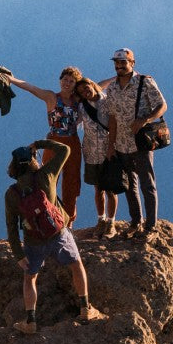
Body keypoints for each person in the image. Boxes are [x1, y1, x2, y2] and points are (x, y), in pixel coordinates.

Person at [5, 138, 102, 334]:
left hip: (33, 241)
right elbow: (65, 150)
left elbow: (12, 227)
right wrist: (39, 144)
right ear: (33, 161)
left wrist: (18, 254)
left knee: (30, 278)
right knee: (76, 265)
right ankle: (85, 309)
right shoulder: (46, 175)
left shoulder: (12, 194)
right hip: (58, 233)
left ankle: (31, 321)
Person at [6, 67, 84, 227]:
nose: (67, 83)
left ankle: (68, 222)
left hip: (73, 142)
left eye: (71, 81)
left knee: (72, 182)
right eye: (65, 79)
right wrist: (12, 79)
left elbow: (97, 87)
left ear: (75, 84)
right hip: (54, 141)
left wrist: (117, 77)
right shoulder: (52, 97)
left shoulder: (78, 99)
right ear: (60, 80)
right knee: (46, 180)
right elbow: (31, 88)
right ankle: (48, 218)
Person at [104, 48, 168, 240]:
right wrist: (111, 145)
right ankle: (135, 222)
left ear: (132, 63)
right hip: (122, 143)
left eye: (123, 62)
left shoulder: (144, 81)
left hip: (141, 141)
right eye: (117, 62)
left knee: (147, 184)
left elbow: (162, 105)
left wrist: (145, 120)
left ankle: (151, 227)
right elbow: (112, 118)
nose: (119, 65)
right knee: (129, 185)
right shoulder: (112, 88)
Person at [75, 77, 118, 239]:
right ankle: (101, 220)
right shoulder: (82, 107)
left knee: (110, 189)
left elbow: (115, 123)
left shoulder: (107, 101)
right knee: (98, 188)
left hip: (109, 151)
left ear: (92, 85)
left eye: (86, 88)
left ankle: (111, 222)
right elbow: (75, 122)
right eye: (81, 92)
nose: (85, 92)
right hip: (91, 152)